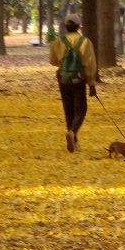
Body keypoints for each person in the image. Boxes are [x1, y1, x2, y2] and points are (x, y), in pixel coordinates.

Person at [50, 13, 97, 152]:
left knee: (68, 110)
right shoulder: (85, 42)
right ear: (78, 26)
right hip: (78, 80)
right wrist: (91, 84)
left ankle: (74, 141)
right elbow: (90, 64)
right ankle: (72, 133)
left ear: (65, 26)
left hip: (63, 80)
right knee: (81, 110)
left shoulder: (58, 42)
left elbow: (53, 61)